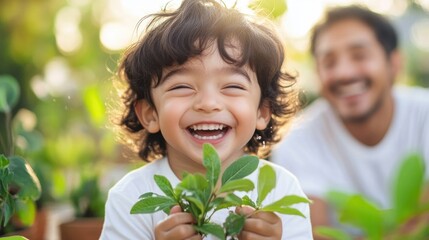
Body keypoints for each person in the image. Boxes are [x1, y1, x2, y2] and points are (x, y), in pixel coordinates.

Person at [100, 0, 313, 239]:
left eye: (233, 86)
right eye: (182, 86)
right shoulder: (131, 197)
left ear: (262, 111)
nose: (208, 103)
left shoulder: (280, 191)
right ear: (150, 114)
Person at [271, 5, 429, 238]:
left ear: (394, 64)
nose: (344, 73)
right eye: (329, 62)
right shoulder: (297, 138)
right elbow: (312, 233)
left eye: (359, 56)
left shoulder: (424, 114)